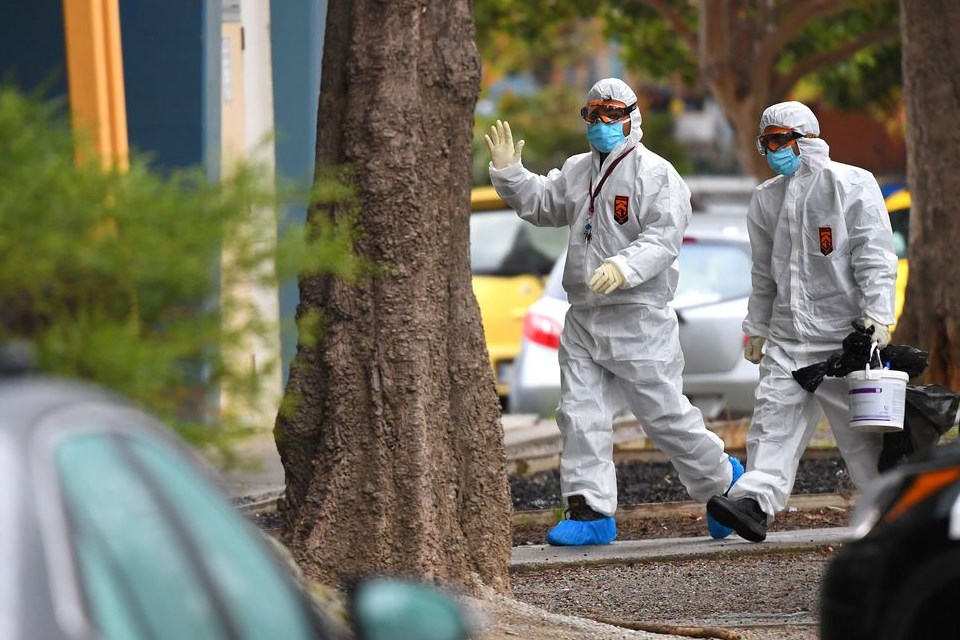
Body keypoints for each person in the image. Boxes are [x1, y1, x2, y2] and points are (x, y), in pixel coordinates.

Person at [484, 78, 742, 546]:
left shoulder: (656, 174)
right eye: (593, 114)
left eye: (611, 113)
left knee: (663, 415)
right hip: (584, 315)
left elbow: (664, 238)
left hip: (637, 315)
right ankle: (590, 511)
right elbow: (543, 204)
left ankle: (722, 483)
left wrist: (624, 267)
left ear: (631, 117)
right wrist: (511, 174)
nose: (601, 123)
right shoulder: (578, 171)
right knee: (579, 413)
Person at [706, 101, 898, 542]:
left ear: (806, 139)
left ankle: (895, 513)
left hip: (846, 340)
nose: (772, 150)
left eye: (779, 140)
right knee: (772, 422)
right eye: (766, 142)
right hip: (789, 338)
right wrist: (757, 327)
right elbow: (763, 273)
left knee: (863, 439)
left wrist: (877, 316)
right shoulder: (766, 198)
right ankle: (753, 504)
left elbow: (874, 256)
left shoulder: (851, 184)